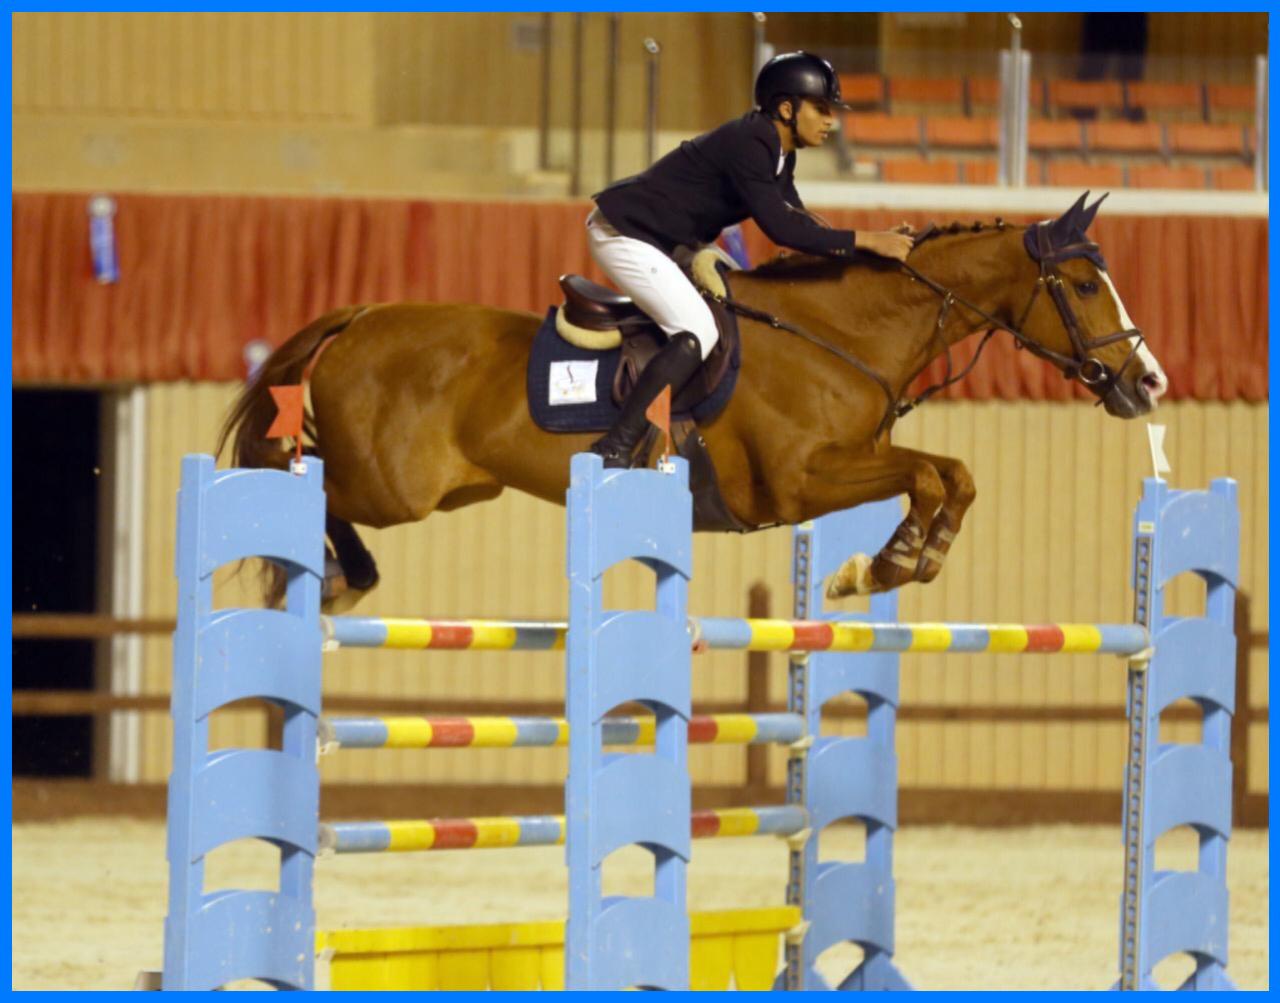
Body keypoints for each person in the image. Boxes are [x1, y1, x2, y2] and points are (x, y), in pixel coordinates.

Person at [585, 50, 914, 468]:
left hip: (669, 239)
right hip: (624, 233)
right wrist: (866, 239)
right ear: (786, 108)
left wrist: (869, 248)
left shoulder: (779, 150)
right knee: (697, 331)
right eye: (822, 108)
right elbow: (781, 229)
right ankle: (615, 445)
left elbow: (800, 217)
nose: (831, 120)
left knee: (744, 309)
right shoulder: (751, 143)